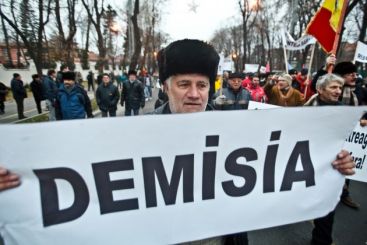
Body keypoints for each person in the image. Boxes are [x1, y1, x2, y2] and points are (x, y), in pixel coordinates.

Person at [0, 39, 358, 245]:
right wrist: (19, 182)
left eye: (202, 85)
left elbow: (284, 162)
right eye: (183, 84)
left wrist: (330, 162)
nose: (194, 93)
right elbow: (83, 181)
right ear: (165, 86)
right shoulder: (132, 135)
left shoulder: (239, 129)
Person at [304, 73, 345, 245]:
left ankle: (321, 240)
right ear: (320, 90)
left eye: (340, 88)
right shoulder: (305, 111)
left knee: (327, 206)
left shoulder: (345, 110)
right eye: (333, 87)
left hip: (331, 166)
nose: (338, 91)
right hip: (307, 164)